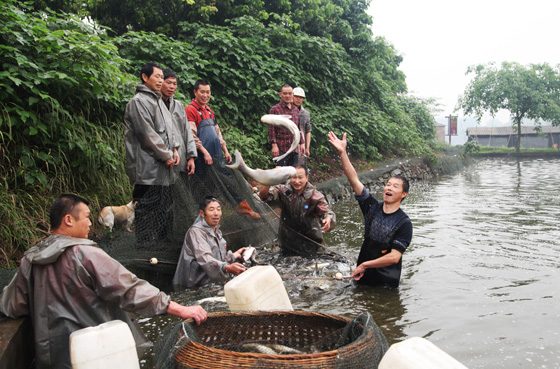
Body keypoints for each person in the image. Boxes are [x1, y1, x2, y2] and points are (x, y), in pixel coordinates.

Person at [0, 194, 207, 369]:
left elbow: (12, 306)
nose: (91, 223)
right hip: (94, 355)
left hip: (50, 360)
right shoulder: (86, 254)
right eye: (87, 217)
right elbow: (130, 288)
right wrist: (180, 309)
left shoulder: (30, 260)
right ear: (69, 220)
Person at [328, 131, 413, 288]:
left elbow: (394, 257)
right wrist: (342, 153)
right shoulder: (372, 207)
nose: (389, 187)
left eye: (395, 186)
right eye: (388, 184)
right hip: (362, 276)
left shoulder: (404, 223)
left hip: (386, 282)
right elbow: (354, 180)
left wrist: (365, 265)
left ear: (403, 194)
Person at [124, 62, 182, 247]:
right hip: (146, 166)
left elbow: (170, 129)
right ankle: (144, 242)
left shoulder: (159, 101)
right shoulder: (138, 101)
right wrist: (166, 155)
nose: (160, 81)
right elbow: (146, 134)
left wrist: (175, 149)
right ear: (144, 77)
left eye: (161, 77)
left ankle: (163, 239)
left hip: (165, 165)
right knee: (146, 205)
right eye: (157, 77)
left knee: (165, 204)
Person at [186, 80, 260, 219]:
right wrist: (204, 152)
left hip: (216, 156)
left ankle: (246, 212)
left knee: (228, 183)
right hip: (202, 159)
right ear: (195, 92)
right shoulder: (190, 110)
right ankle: (201, 219)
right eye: (202, 92)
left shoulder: (209, 111)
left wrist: (225, 149)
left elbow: (217, 133)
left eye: (208, 92)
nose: (205, 95)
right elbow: (191, 135)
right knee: (202, 189)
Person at [258, 164, 335, 257]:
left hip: (310, 244)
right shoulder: (283, 191)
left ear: (307, 177)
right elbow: (263, 196)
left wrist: (328, 219)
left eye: (300, 177)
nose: (297, 181)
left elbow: (326, 211)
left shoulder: (315, 196)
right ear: (290, 178)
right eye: (294, 177)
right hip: (287, 243)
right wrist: (271, 177)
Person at [173, 196, 247, 287]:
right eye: (211, 210)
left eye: (218, 209)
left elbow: (218, 259)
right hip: (195, 285)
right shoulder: (196, 232)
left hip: (211, 282)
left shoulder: (217, 231)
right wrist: (227, 268)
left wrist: (233, 256)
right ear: (202, 213)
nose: (216, 213)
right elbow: (205, 258)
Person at [161, 69, 197, 176]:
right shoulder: (155, 105)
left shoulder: (178, 105)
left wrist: (191, 157)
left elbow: (187, 132)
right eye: (168, 83)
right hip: (163, 160)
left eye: (174, 84)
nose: (172, 87)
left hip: (181, 160)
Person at [268, 84, 305, 166]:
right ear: (280, 94)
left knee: (293, 175)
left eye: (289, 93)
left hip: (294, 149)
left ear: (292, 94)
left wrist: (301, 143)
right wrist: (274, 145)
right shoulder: (275, 109)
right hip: (281, 148)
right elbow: (271, 129)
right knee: (281, 174)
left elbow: (298, 128)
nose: (287, 96)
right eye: (285, 93)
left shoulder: (295, 110)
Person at [293, 87, 311, 158]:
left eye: (300, 97)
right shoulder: (286, 111)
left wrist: (307, 148)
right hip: (286, 146)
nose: (298, 99)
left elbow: (308, 131)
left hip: (301, 147)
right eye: (296, 97)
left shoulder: (305, 114)